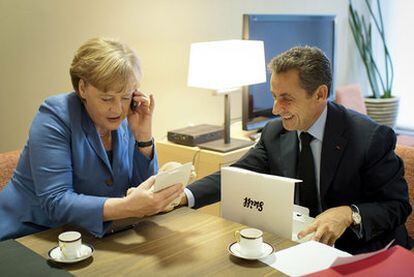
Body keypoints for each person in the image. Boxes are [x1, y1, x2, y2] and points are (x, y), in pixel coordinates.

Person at [181, 46, 412, 254]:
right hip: (299, 248)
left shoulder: (370, 137)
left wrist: (349, 214)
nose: (275, 109)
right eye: (273, 97)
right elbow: (236, 175)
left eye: (286, 99)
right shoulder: (274, 133)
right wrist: (184, 196)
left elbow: (397, 206)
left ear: (320, 94)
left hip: (362, 251)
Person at [0, 38, 183, 240]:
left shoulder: (127, 117)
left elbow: (140, 191)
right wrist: (126, 207)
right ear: (82, 88)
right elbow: (55, 201)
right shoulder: (54, 116)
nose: (117, 109)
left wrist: (143, 138)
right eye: (106, 98)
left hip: (88, 234)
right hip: (29, 233)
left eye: (125, 97)